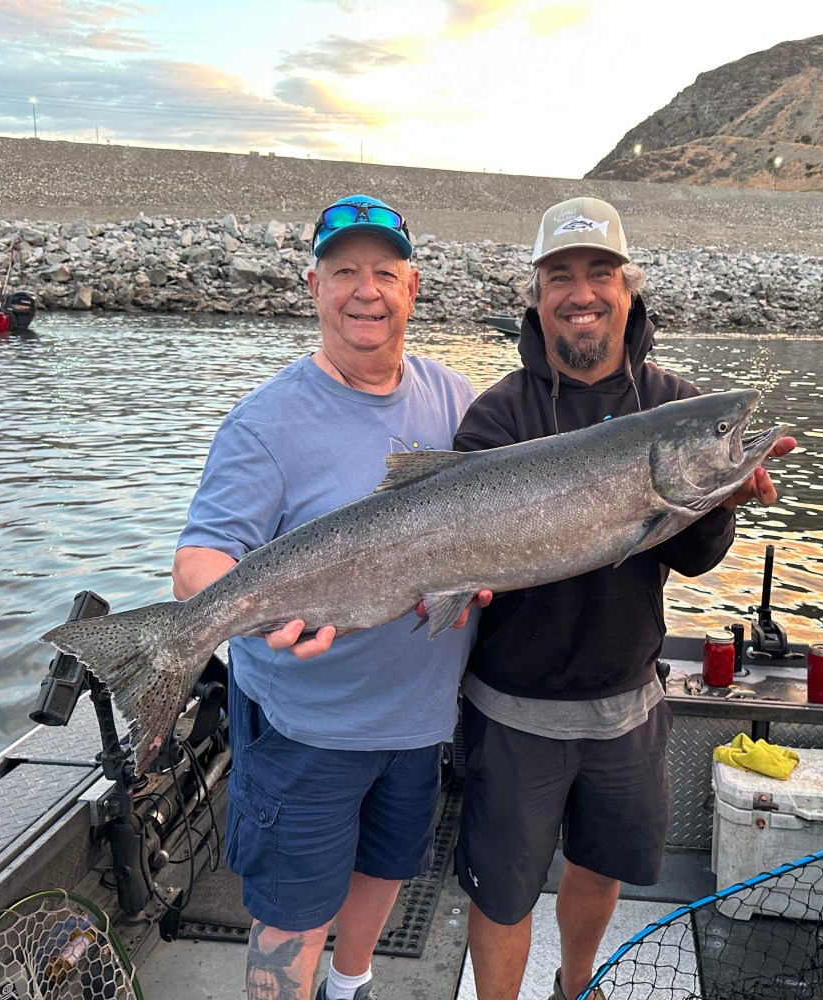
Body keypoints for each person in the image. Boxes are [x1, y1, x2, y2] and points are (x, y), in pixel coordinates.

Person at [451, 196, 797, 1000]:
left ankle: (577, 988)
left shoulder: (673, 402)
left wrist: (720, 499)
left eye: (599, 274)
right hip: (513, 711)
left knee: (600, 870)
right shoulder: (497, 414)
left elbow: (701, 560)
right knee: (501, 894)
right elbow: (462, 567)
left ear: (627, 289)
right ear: (537, 295)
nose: (582, 293)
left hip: (627, 707)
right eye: (561, 277)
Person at [172, 194, 486, 1000]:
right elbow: (201, 557)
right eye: (344, 271)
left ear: (412, 288)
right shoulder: (264, 423)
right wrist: (233, 619)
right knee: (293, 908)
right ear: (312, 286)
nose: (365, 290)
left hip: (416, 720)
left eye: (384, 271)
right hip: (306, 727)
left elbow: (509, 514)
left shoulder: (457, 401)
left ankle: (351, 986)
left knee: (386, 868)